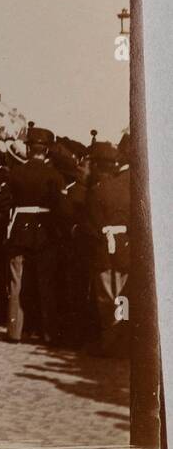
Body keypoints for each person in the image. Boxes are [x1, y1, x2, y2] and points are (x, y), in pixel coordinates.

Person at [5, 126, 65, 343]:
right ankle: (49, 333)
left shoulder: (15, 173)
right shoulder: (55, 176)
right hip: (45, 232)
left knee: (16, 282)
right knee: (46, 284)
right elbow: (60, 209)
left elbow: (4, 203)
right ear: (46, 151)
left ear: (29, 149)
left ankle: (14, 330)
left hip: (20, 230)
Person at [84, 141, 128, 357]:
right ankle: (123, 339)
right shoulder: (127, 188)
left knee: (105, 299)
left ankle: (109, 342)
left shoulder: (97, 191)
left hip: (103, 250)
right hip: (125, 249)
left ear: (98, 166)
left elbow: (91, 227)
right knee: (123, 297)